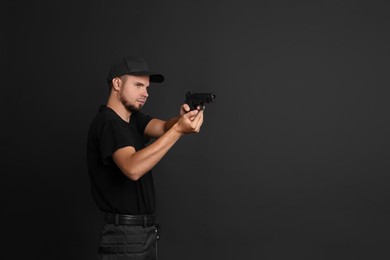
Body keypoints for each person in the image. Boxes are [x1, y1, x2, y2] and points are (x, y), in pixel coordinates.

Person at [86, 56, 204, 260]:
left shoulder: (133, 120)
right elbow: (132, 168)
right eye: (138, 85)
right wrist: (178, 130)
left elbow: (164, 127)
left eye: (147, 88)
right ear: (117, 83)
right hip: (125, 235)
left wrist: (183, 119)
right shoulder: (108, 123)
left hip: (142, 234)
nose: (145, 93)